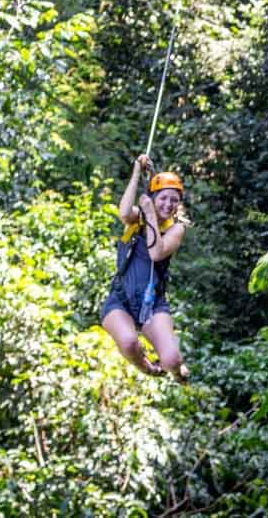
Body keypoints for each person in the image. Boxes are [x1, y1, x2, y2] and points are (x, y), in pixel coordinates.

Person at [101, 154, 190, 382]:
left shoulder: (176, 229)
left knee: (172, 360)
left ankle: (176, 371)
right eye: (163, 198)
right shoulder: (137, 219)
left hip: (152, 304)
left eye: (174, 200)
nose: (168, 204)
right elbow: (123, 212)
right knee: (129, 342)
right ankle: (148, 367)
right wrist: (136, 173)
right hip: (121, 299)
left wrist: (150, 213)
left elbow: (156, 253)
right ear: (153, 197)